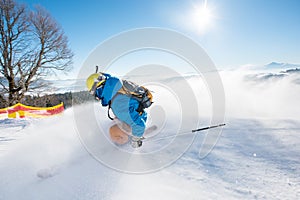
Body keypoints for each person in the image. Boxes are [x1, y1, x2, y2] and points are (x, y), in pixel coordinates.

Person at [86, 72, 150, 148]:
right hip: (140, 114)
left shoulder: (117, 104)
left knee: (113, 131)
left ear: (99, 89)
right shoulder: (116, 88)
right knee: (115, 120)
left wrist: (135, 140)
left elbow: (139, 124)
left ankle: (125, 144)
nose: (97, 98)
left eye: (95, 94)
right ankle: (132, 134)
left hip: (139, 122)